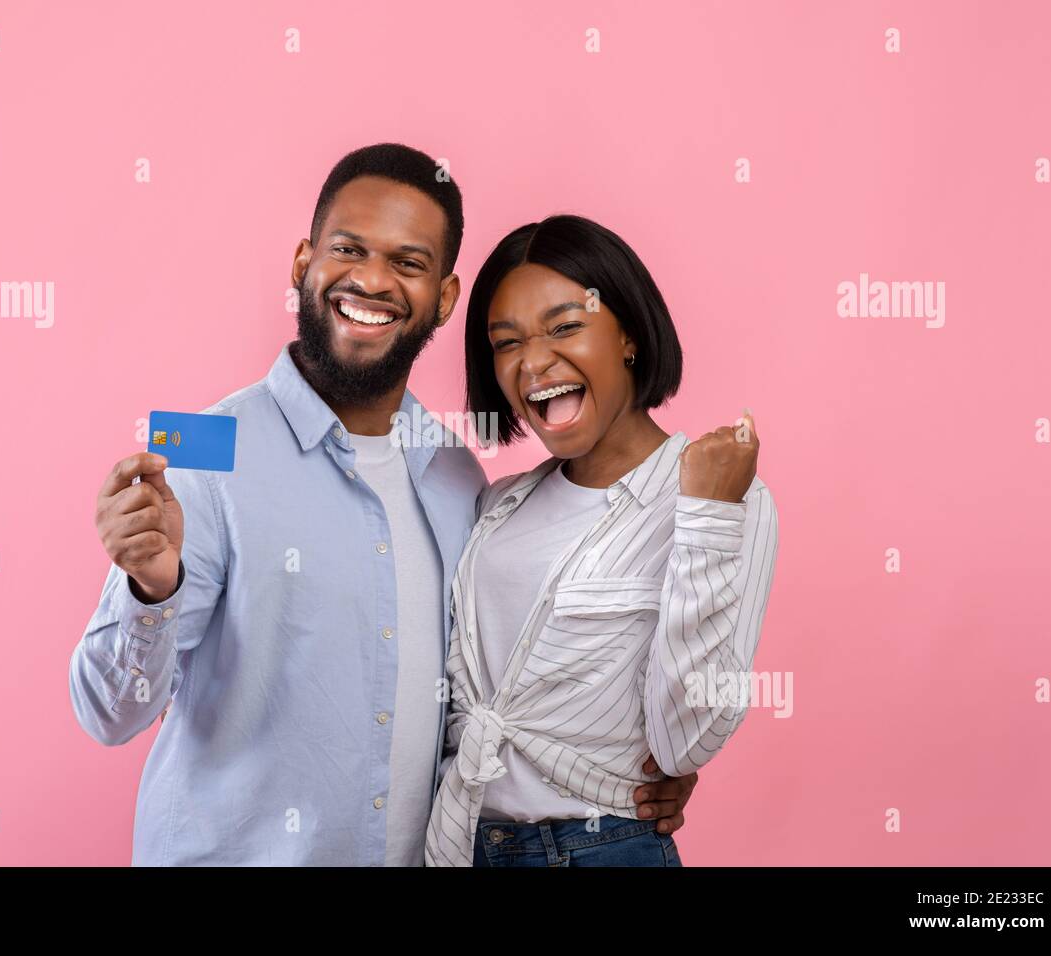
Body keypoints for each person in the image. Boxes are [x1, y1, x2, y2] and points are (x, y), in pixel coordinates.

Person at [69, 145, 697, 866]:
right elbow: (109, 714)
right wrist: (152, 587)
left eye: (407, 262)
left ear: (444, 296)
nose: (371, 279)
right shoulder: (209, 453)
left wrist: (632, 768)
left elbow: (496, 692)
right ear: (303, 262)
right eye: (348, 249)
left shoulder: (457, 475)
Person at [425, 215, 779, 867]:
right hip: (463, 841)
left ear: (628, 337)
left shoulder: (722, 495)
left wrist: (706, 515)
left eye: (565, 326)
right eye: (507, 343)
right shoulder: (498, 505)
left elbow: (685, 742)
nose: (534, 362)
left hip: (597, 849)